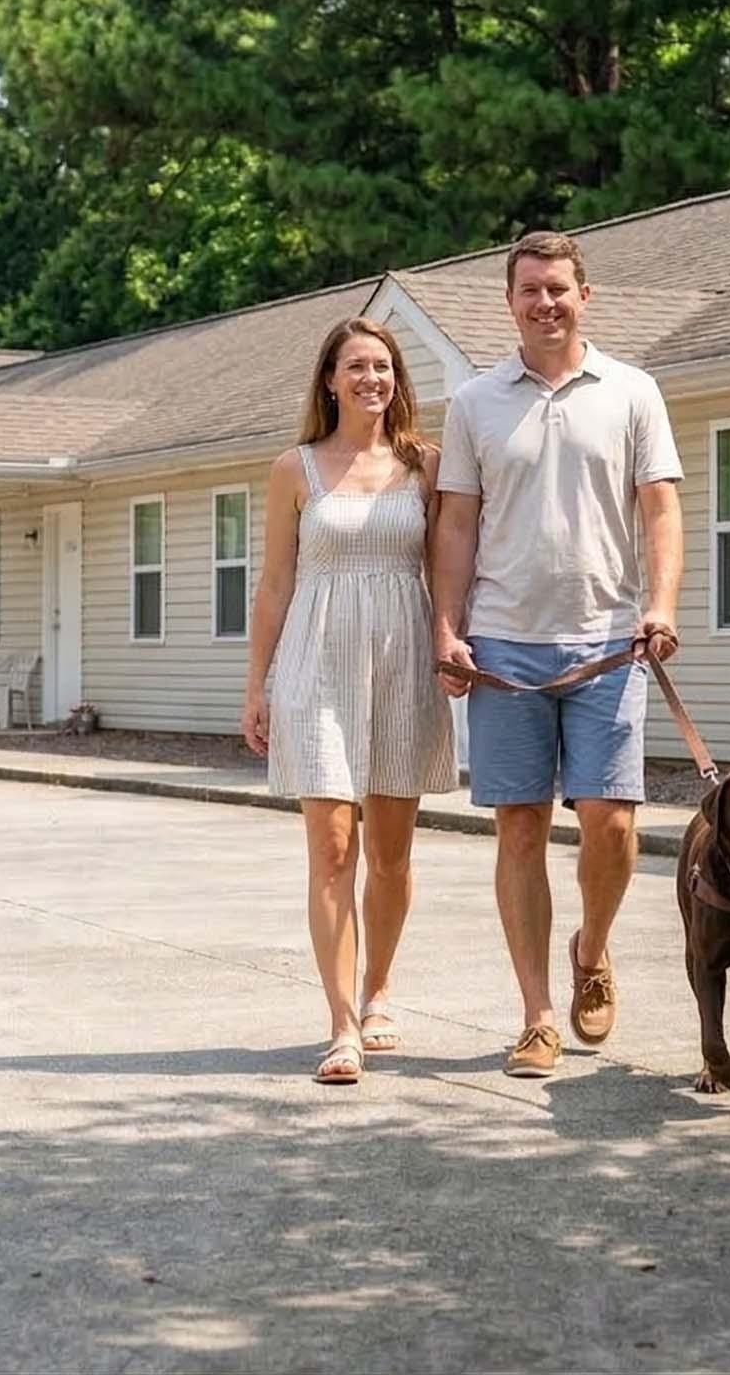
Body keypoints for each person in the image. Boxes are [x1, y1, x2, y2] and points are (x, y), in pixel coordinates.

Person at [432, 231, 684, 1079]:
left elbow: (660, 513)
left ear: (587, 296)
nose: (546, 302)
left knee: (611, 824)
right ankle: (537, 1015)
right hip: (504, 642)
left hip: (608, 642)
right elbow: (457, 525)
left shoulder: (633, 392)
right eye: (530, 290)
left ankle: (594, 948)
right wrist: (447, 627)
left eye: (559, 289)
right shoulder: (474, 401)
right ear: (510, 303)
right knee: (520, 829)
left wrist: (660, 607)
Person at [242, 316, 459, 1085]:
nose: (372, 378)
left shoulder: (426, 466)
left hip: (401, 661)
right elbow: (273, 586)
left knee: (392, 856)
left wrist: (451, 644)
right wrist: (257, 686)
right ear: (329, 380)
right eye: (356, 366)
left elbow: (447, 574)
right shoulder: (293, 470)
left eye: (384, 366)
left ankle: (379, 992)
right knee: (333, 850)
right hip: (317, 665)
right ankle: (340, 1025)